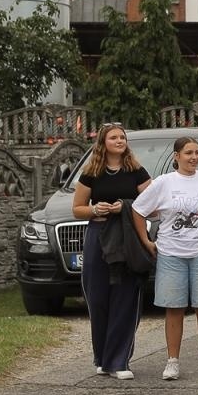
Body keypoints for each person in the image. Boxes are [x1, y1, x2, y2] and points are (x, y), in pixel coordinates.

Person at [130, 136, 198, 381]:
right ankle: (172, 362)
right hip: (171, 253)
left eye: (197, 152)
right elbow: (137, 209)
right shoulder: (164, 183)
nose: (194, 157)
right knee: (174, 309)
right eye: (188, 153)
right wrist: (146, 240)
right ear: (176, 156)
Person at [73, 123, 151, 380]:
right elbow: (78, 208)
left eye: (122, 137)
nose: (119, 141)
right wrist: (96, 210)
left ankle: (119, 360)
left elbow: (152, 201)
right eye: (114, 137)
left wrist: (125, 206)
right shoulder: (91, 172)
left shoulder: (136, 171)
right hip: (99, 236)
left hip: (127, 236)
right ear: (103, 143)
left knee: (125, 296)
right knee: (98, 297)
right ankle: (103, 357)